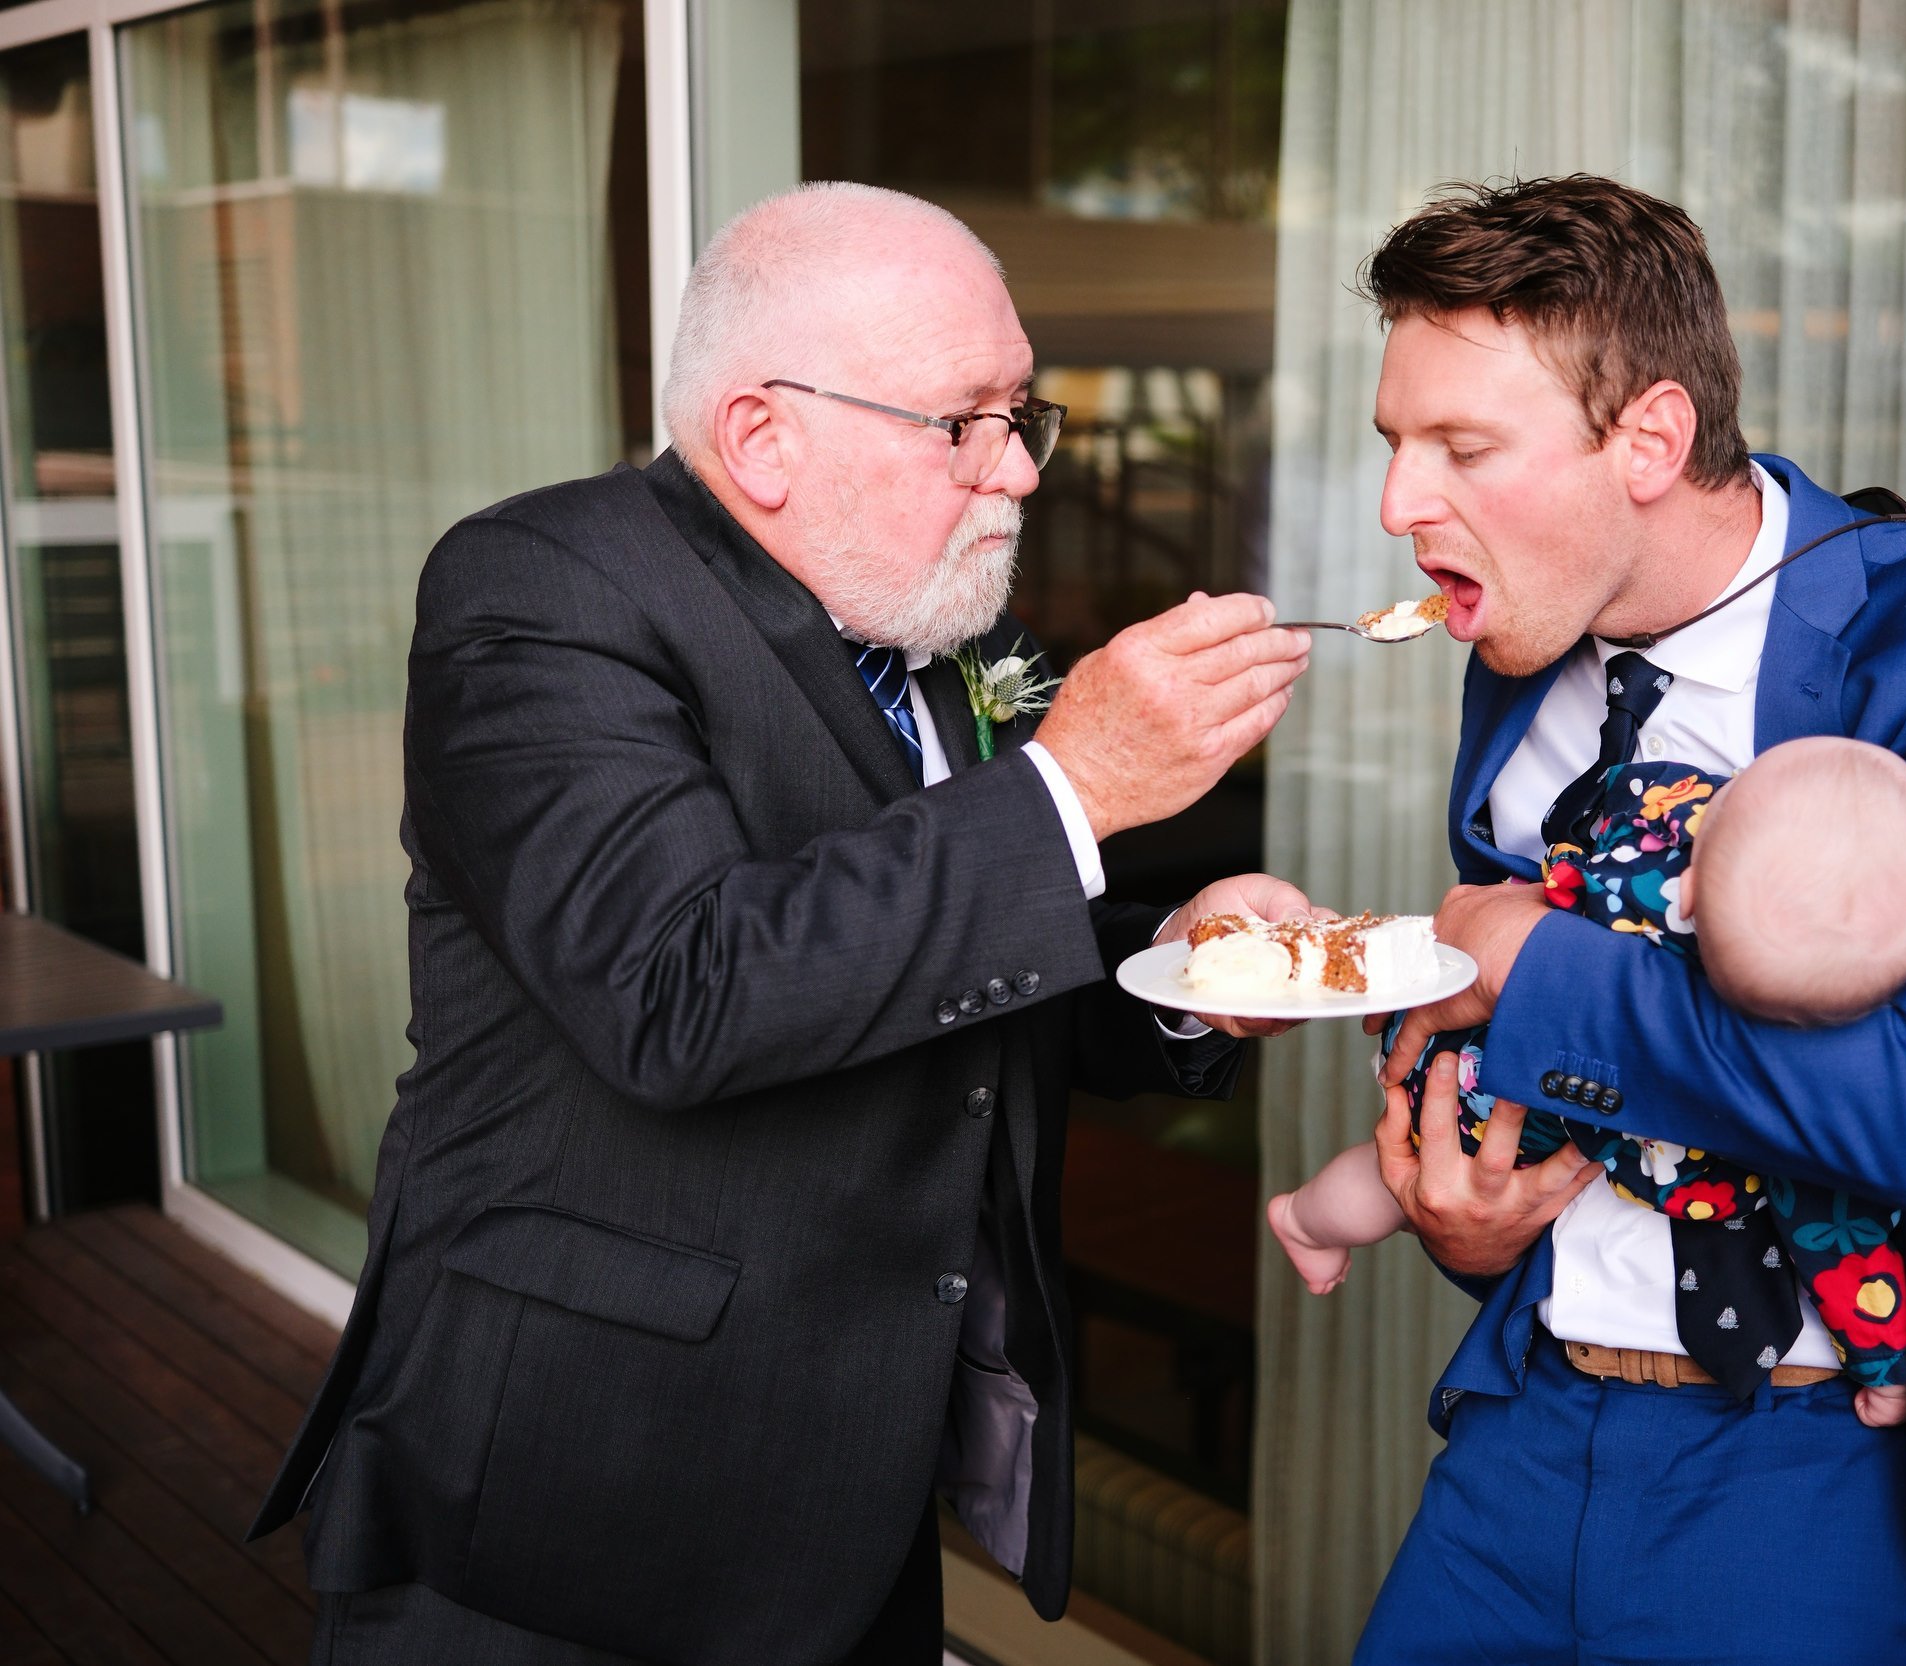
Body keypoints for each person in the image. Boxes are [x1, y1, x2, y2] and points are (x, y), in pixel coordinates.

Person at [245, 183, 1316, 1666]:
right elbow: (680, 989)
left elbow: (933, 964)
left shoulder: (940, 627)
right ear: (760, 436)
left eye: (1023, 414)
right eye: (964, 422)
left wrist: (1176, 973)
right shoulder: (542, 593)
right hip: (575, 1493)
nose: (1016, 472)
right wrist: (1074, 786)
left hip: (856, 1479)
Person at [1346, 176, 1906, 1665]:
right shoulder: (1523, 641)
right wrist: (1464, 1219)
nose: (1399, 504)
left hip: (1844, 1473)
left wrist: (1532, 969)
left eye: (1463, 448)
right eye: (1397, 444)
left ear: (1652, 441)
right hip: (1527, 1428)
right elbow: (1551, 1079)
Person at [1268, 736, 1906, 1428]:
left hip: (1448, 1002)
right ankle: (1305, 1219)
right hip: (1502, 1102)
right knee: (1390, 1183)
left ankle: (1304, 1216)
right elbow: (1840, 1243)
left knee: (1400, 1162)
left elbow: (1618, 796)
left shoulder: (1666, 832)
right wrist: (1884, 1368)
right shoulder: (1778, 1076)